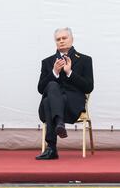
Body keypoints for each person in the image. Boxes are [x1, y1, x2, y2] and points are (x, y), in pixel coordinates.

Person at [36, 27, 94, 160]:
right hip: (53, 105)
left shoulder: (85, 60)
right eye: (58, 39)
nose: (61, 41)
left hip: (72, 105)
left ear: (72, 39)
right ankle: (59, 123)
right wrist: (54, 72)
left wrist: (70, 73)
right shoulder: (48, 62)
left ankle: (51, 148)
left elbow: (88, 87)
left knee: (47, 102)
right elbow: (40, 89)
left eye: (64, 38)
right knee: (51, 86)